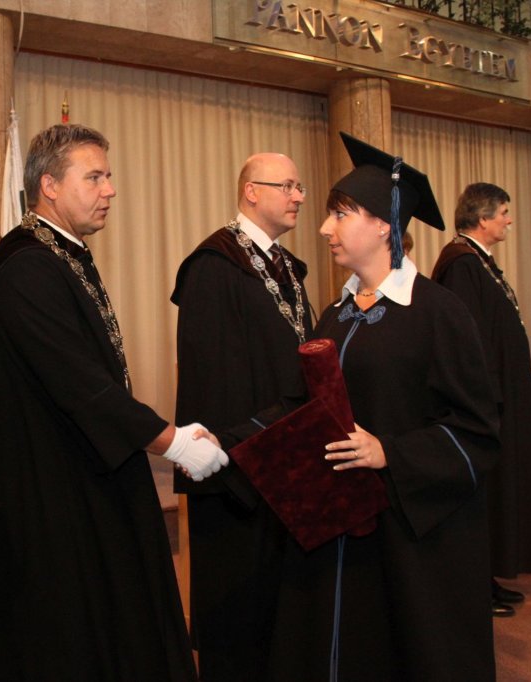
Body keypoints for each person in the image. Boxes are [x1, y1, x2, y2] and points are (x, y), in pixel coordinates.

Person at [0, 123, 227, 681]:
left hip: (76, 478)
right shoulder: (28, 265)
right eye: (95, 177)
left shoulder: (62, 254)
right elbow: (81, 384)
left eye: (109, 177)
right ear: (50, 186)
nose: (110, 190)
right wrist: (172, 443)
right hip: (48, 496)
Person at [269, 133, 500, 680]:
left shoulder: (438, 312)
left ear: (383, 225)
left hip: (413, 535)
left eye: (340, 214)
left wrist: (389, 452)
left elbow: (477, 432)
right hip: (340, 525)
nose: (324, 228)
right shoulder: (337, 314)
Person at [172, 153, 312, 680]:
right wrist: (236, 450)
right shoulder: (214, 264)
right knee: (238, 608)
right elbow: (211, 378)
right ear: (251, 191)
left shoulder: (286, 265)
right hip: (241, 468)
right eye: (287, 186)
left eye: (300, 187)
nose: (299, 196)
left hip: (288, 455)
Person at [431, 183, 531, 617]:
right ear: (482, 219)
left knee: (498, 494)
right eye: (503, 212)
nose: (509, 220)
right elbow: (469, 342)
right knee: (484, 496)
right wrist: (488, 400)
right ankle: (475, 586)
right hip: (487, 404)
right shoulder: (462, 264)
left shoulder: (478, 261)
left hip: (503, 398)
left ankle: (488, 578)